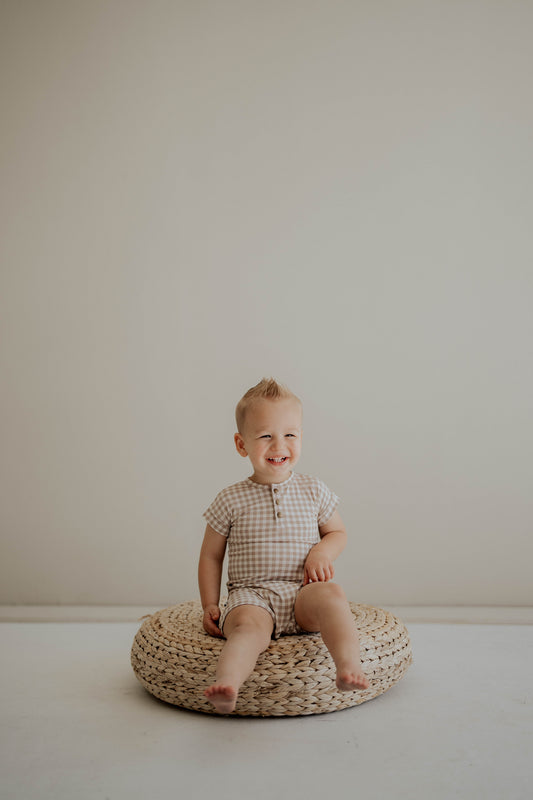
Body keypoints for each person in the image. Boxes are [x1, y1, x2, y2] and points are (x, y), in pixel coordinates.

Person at [198, 378, 369, 714]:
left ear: (301, 437)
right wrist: (210, 603)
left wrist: (321, 551)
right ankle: (227, 684)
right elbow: (211, 556)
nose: (279, 445)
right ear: (241, 444)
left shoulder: (313, 490)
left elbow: (338, 532)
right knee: (247, 630)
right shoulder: (230, 499)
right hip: (252, 595)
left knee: (332, 595)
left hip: (301, 592)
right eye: (266, 436)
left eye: (290, 434)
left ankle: (349, 667)